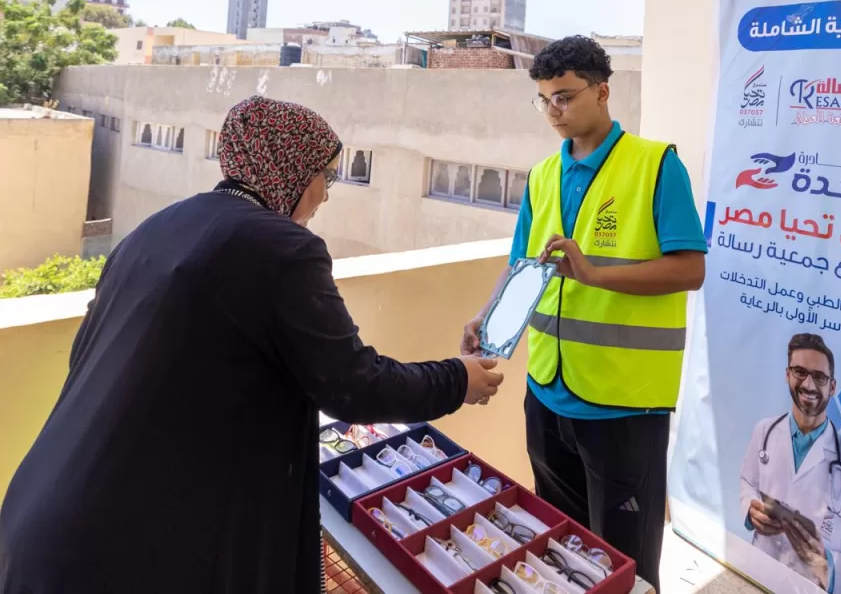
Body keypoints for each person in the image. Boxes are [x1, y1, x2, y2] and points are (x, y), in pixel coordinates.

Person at [0, 96, 504, 594]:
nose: (326, 195)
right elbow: (352, 385)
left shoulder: (159, 226)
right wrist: (458, 378)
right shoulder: (280, 246)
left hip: (46, 509)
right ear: (293, 168)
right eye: (326, 176)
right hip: (120, 550)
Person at [462, 36, 707, 591]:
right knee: (558, 544)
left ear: (602, 92)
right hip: (547, 390)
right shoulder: (543, 174)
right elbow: (522, 265)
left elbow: (691, 269)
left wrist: (595, 275)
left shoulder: (656, 165)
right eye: (544, 99)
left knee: (624, 564)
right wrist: (485, 315)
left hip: (623, 404)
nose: (554, 110)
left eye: (566, 97)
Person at [739, 333, 841, 594]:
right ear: (787, 375)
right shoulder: (764, 431)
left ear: (832, 387)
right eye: (800, 372)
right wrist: (750, 509)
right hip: (758, 578)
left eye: (820, 377)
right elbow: (748, 482)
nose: (809, 384)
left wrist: (827, 566)